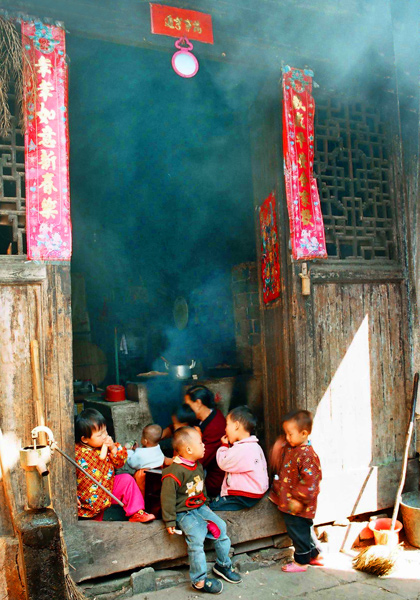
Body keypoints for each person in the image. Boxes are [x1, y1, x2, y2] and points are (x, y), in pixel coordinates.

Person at [161, 427, 242, 594]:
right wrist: (169, 520)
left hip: (199, 507)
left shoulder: (197, 465)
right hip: (184, 512)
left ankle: (223, 565)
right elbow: (167, 498)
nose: (204, 445)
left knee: (221, 528)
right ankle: (199, 580)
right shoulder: (173, 473)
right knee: (196, 538)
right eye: (200, 442)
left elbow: (200, 487)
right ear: (189, 449)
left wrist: (205, 503)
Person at [75, 408, 155, 523]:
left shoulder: (109, 447)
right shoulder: (77, 453)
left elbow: (120, 463)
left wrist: (113, 448)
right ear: (85, 439)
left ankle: (137, 512)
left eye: (105, 431)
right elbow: (67, 478)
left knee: (127, 479)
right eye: (99, 435)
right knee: (94, 529)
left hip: (108, 489)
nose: (105, 436)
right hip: (88, 500)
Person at [269, 409, 322, 572]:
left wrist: (299, 500)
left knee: (297, 531)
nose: (287, 438)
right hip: (291, 501)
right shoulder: (294, 447)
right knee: (305, 529)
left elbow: (311, 483)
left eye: (290, 434)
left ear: (304, 433)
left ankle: (301, 561)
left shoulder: (307, 456)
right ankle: (315, 554)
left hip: (298, 504)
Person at [210, 406, 269, 511]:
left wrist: (223, 446)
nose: (225, 429)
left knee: (214, 507)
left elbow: (223, 462)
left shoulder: (242, 448)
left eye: (227, 425)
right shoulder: (254, 446)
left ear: (236, 425)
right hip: (256, 491)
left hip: (243, 495)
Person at [184, 386, 226, 498]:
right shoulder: (203, 417)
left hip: (213, 482)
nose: (186, 409)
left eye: (188, 405)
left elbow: (200, 460)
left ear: (198, 403)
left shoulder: (216, 426)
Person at [126, 423, 172, 496]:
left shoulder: (140, 454)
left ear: (145, 441)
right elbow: (147, 454)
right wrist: (137, 449)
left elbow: (131, 463)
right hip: (155, 483)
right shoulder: (158, 449)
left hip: (143, 482)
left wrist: (129, 451)